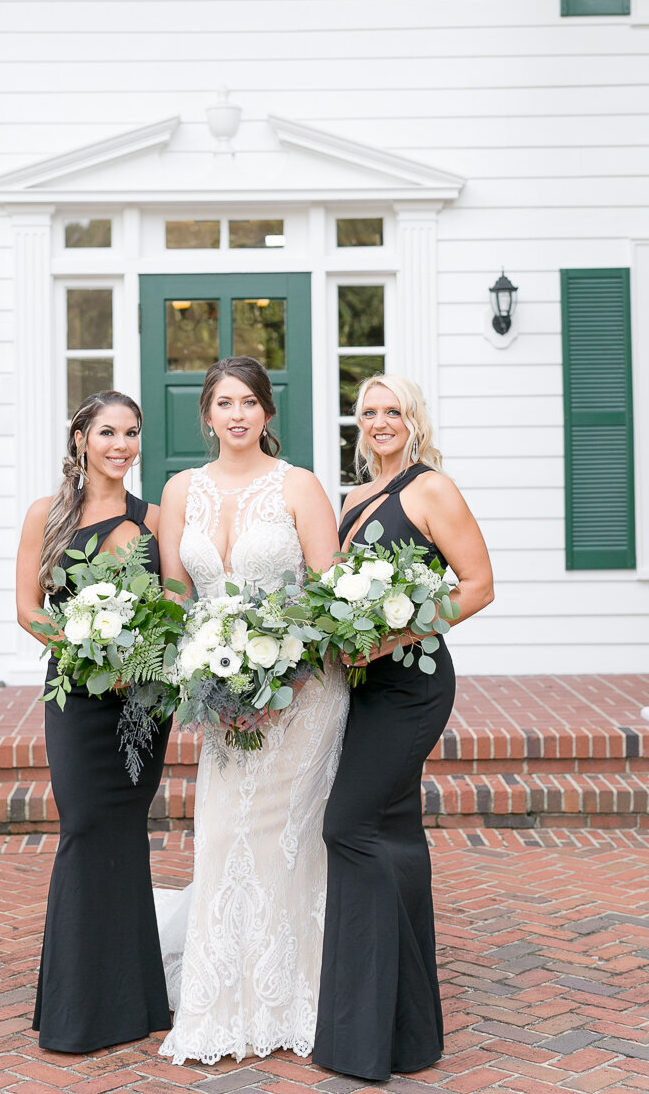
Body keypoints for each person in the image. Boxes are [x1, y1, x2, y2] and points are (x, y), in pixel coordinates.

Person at [156, 356, 349, 1066]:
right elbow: (177, 594)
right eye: (223, 403)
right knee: (220, 835)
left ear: (268, 413)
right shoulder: (181, 490)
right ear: (206, 416)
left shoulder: (299, 486)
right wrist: (201, 676)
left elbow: (329, 596)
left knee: (284, 841)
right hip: (222, 698)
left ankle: (292, 998)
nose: (237, 414)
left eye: (249, 403)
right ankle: (224, 1002)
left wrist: (284, 680)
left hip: (303, 696)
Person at [313, 374, 494, 1082]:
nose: (381, 421)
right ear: (358, 424)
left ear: (414, 421)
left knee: (345, 826)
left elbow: (478, 584)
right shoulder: (351, 498)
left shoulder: (432, 490)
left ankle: (368, 1025)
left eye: (395, 411)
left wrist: (398, 633)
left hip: (414, 686)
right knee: (391, 831)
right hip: (362, 688)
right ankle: (405, 1032)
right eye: (370, 412)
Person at [16, 390, 172, 1053]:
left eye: (132, 433)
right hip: (76, 695)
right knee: (82, 826)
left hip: (139, 702)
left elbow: (176, 601)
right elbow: (27, 609)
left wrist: (136, 652)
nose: (121, 445)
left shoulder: (157, 519)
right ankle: (78, 1007)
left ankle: (132, 1000)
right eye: (107, 431)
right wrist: (82, 645)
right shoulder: (45, 516)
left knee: (125, 834)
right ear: (80, 439)